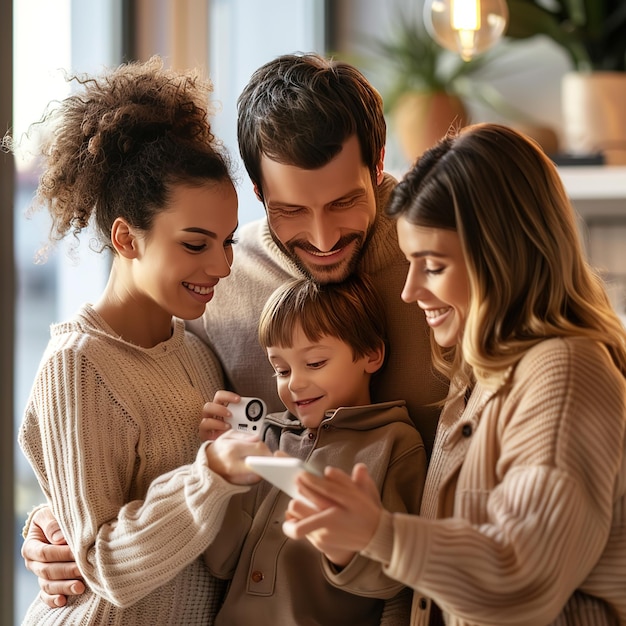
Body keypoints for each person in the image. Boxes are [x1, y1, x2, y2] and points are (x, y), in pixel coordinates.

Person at [22, 52, 449, 607]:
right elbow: (145, 434)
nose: (322, 238)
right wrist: (58, 521)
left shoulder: (442, 256)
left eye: (344, 202)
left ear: (379, 165)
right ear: (256, 190)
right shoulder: (218, 279)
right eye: (291, 209)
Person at [280, 124, 626, 626]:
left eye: (433, 266)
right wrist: (355, 539)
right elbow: (429, 586)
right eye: (410, 263)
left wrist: (380, 532)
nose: (410, 289)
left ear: (503, 258)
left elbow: (521, 579)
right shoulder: (475, 379)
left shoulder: (564, 373)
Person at [14, 56, 266, 624]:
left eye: (227, 242)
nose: (223, 266)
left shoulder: (198, 354)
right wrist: (213, 475)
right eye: (196, 244)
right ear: (127, 238)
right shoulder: (77, 365)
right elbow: (103, 565)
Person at [201, 273, 426, 625]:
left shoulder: (395, 442)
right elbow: (221, 561)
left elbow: (391, 579)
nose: (295, 383)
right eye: (281, 369)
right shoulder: (268, 436)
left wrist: (344, 551)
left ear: (371, 354)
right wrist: (222, 475)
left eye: (315, 363)